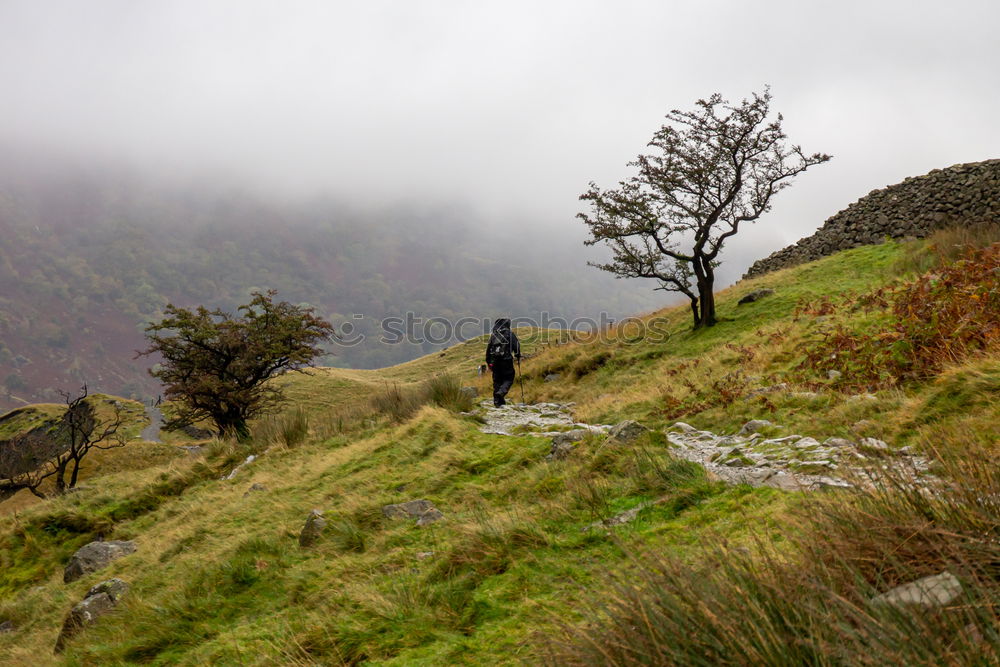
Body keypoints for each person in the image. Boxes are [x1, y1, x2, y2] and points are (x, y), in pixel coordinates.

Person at [485, 317, 521, 407]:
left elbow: (488, 350)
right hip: (507, 361)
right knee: (509, 378)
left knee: (497, 380)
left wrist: (489, 362)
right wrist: (518, 355)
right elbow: (516, 346)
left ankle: (497, 402)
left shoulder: (493, 335)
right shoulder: (510, 334)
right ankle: (501, 392)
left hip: (495, 362)